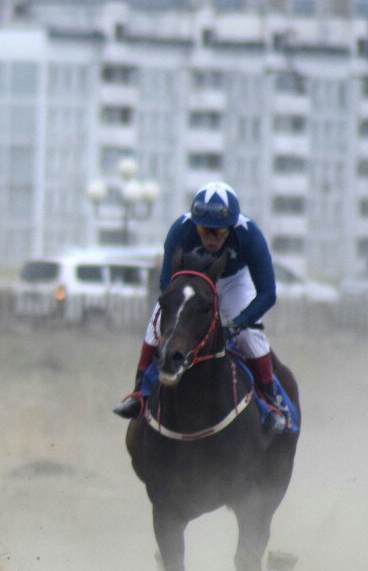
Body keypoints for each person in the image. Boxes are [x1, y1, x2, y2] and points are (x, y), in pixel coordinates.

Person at [112, 181, 291, 434]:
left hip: (233, 282)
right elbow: (166, 284)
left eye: (218, 233)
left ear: (231, 227)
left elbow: (268, 294)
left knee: (251, 335)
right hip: (191, 280)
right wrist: (172, 309)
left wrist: (239, 323)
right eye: (204, 230)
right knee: (154, 326)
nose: (209, 238)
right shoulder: (180, 230)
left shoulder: (250, 235)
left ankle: (270, 406)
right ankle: (138, 395)